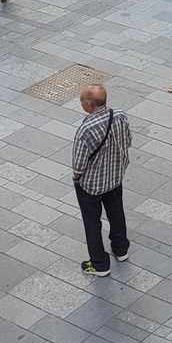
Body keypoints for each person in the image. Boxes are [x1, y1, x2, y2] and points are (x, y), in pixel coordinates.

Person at [73, 84, 131, 277]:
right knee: (116, 213)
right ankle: (121, 249)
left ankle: (99, 264)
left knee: (92, 222)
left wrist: (77, 178)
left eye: (81, 100)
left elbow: (79, 164)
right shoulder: (120, 116)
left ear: (89, 105)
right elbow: (128, 140)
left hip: (91, 186)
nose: (80, 103)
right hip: (115, 178)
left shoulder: (85, 129)